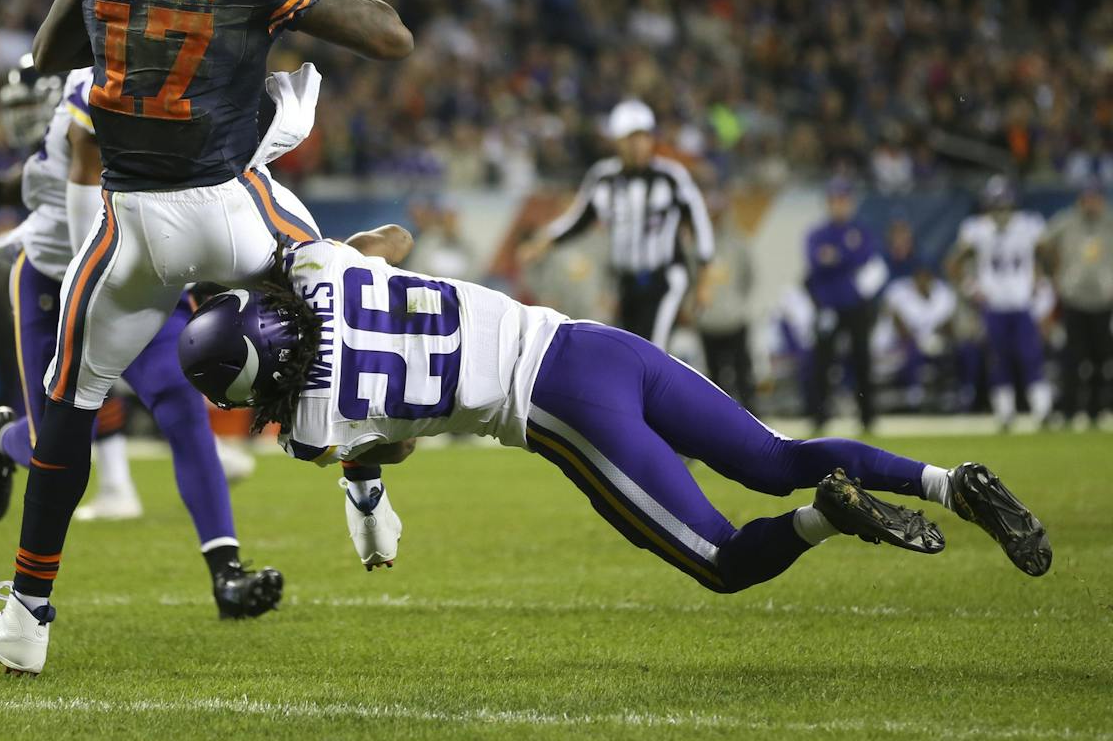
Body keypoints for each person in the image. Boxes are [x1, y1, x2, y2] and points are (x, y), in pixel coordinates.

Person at [0, 0, 413, 677]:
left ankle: (26, 614)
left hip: (130, 228)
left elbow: (52, 49)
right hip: (230, 204)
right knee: (339, 310)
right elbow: (391, 36)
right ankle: (366, 490)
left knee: (65, 408)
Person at [176, 227, 1051, 606]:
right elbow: (392, 244)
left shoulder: (313, 426)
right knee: (775, 453)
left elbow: (380, 449)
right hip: (593, 342)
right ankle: (949, 481)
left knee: (722, 560)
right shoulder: (323, 269)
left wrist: (364, 491)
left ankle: (832, 515)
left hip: (558, 406)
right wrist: (331, 262)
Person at [0, 59, 269, 579]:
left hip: (138, 275)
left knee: (184, 412)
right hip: (60, 280)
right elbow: (52, 203)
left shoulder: (159, 88)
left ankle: (226, 570)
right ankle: (4, 440)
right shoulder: (92, 94)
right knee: (49, 444)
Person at [518, 100, 714, 348]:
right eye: (631, 138)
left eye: (643, 136)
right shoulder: (604, 177)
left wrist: (704, 279)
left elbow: (700, 223)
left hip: (664, 276)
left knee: (651, 349)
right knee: (628, 348)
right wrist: (542, 242)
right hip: (624, 280)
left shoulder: (671, 176)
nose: (638, 145)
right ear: (617, 141)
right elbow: (579, 219)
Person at [947, 177, 1052, 430]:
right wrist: (971, 289)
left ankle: (1042, 410)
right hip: (993, 307)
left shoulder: (1029, 225)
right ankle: (1005, 413)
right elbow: (953, 264)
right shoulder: (976, 229)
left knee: (1030, 356)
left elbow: (1049, 254)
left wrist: (1040, 277)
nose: (1000, 212)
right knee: (998, 360)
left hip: (1021, 303)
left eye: (1004, 206)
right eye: (996, 206)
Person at [804, 178, 886, 432]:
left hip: (854, 304)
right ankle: (819, 416)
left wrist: (836, 256)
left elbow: (865, 257)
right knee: (822, 361)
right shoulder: (818, 234)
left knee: (861, 358)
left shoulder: (860, 231)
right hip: (827, 304)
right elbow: (816, 262)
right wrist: (845, 256)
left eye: (843, 200)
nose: (839, 205)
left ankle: (867, 416)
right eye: (835, 200)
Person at [1039, 185, 1113, 425]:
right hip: (1074, 299)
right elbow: (1042, 244)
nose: (1091, 204)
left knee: (1101, 358)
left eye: (1095, 199)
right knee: (1073, 357)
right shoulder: (1067, 221)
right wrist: (1055, 272)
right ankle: (1069, 410)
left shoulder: (1110, 222)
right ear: (1081, 201)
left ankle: (1095, 410)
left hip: (1103, 300)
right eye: (1087, 199)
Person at [693, 188, 758, 412]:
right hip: (708, 320)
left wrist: (735, 303)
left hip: (734, 319)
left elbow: (748, 277)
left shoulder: (738, 242)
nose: (716, 217)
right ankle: (719, 421)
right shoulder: (696, 245)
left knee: (743, 376)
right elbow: (691, 280)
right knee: (714, 379)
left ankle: (753, 420)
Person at [880, 259, 957, 411]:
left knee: (953, 350)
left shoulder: (942, 294)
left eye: (926, 277)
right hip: (896, 344)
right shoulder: (899, 293)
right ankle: (914, 393)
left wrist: (935, 338)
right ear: (914, 278)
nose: (923, 281)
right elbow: (900, 329)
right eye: (920, 277)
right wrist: (921, 341)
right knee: (913, 349)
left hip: (929, 344)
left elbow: (948, 327)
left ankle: (951, 393)